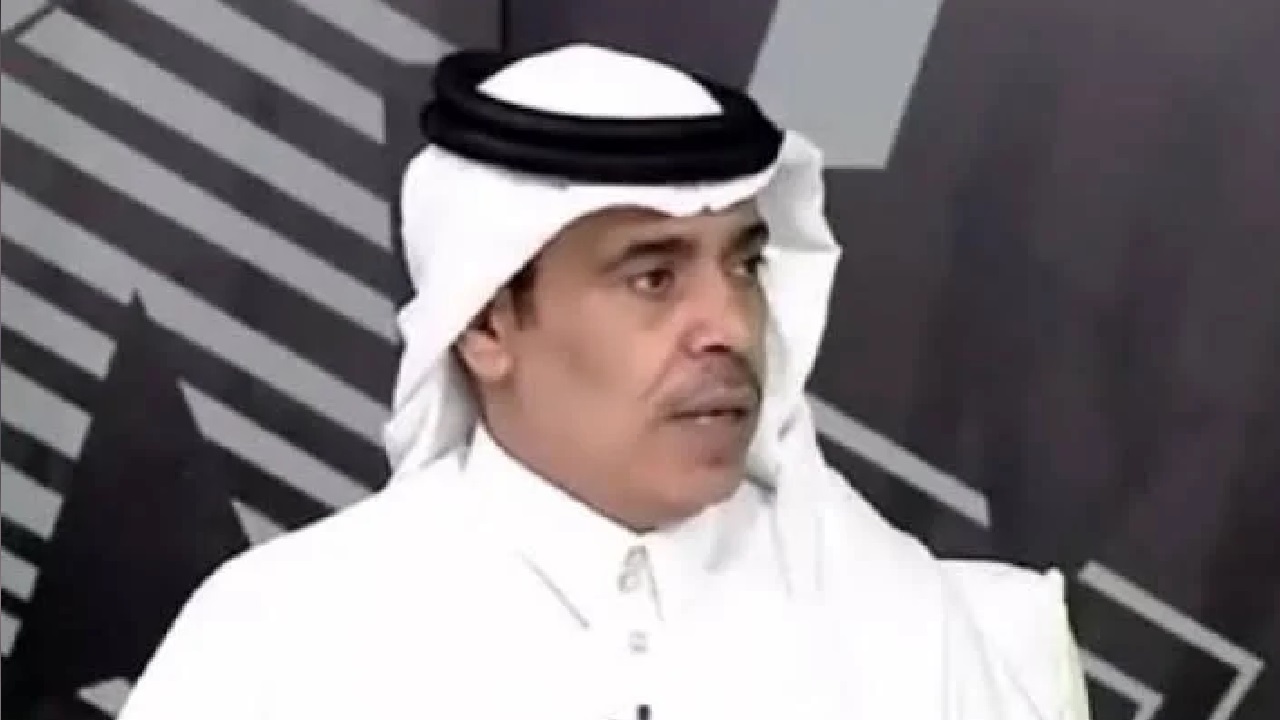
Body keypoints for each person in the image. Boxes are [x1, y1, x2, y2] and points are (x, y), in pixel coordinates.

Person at [119, 44, 1091, 719]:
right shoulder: (281, 643)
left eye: (744, 264)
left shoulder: (906, 627)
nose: (729, 326)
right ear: (487, 324)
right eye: (653, 277)